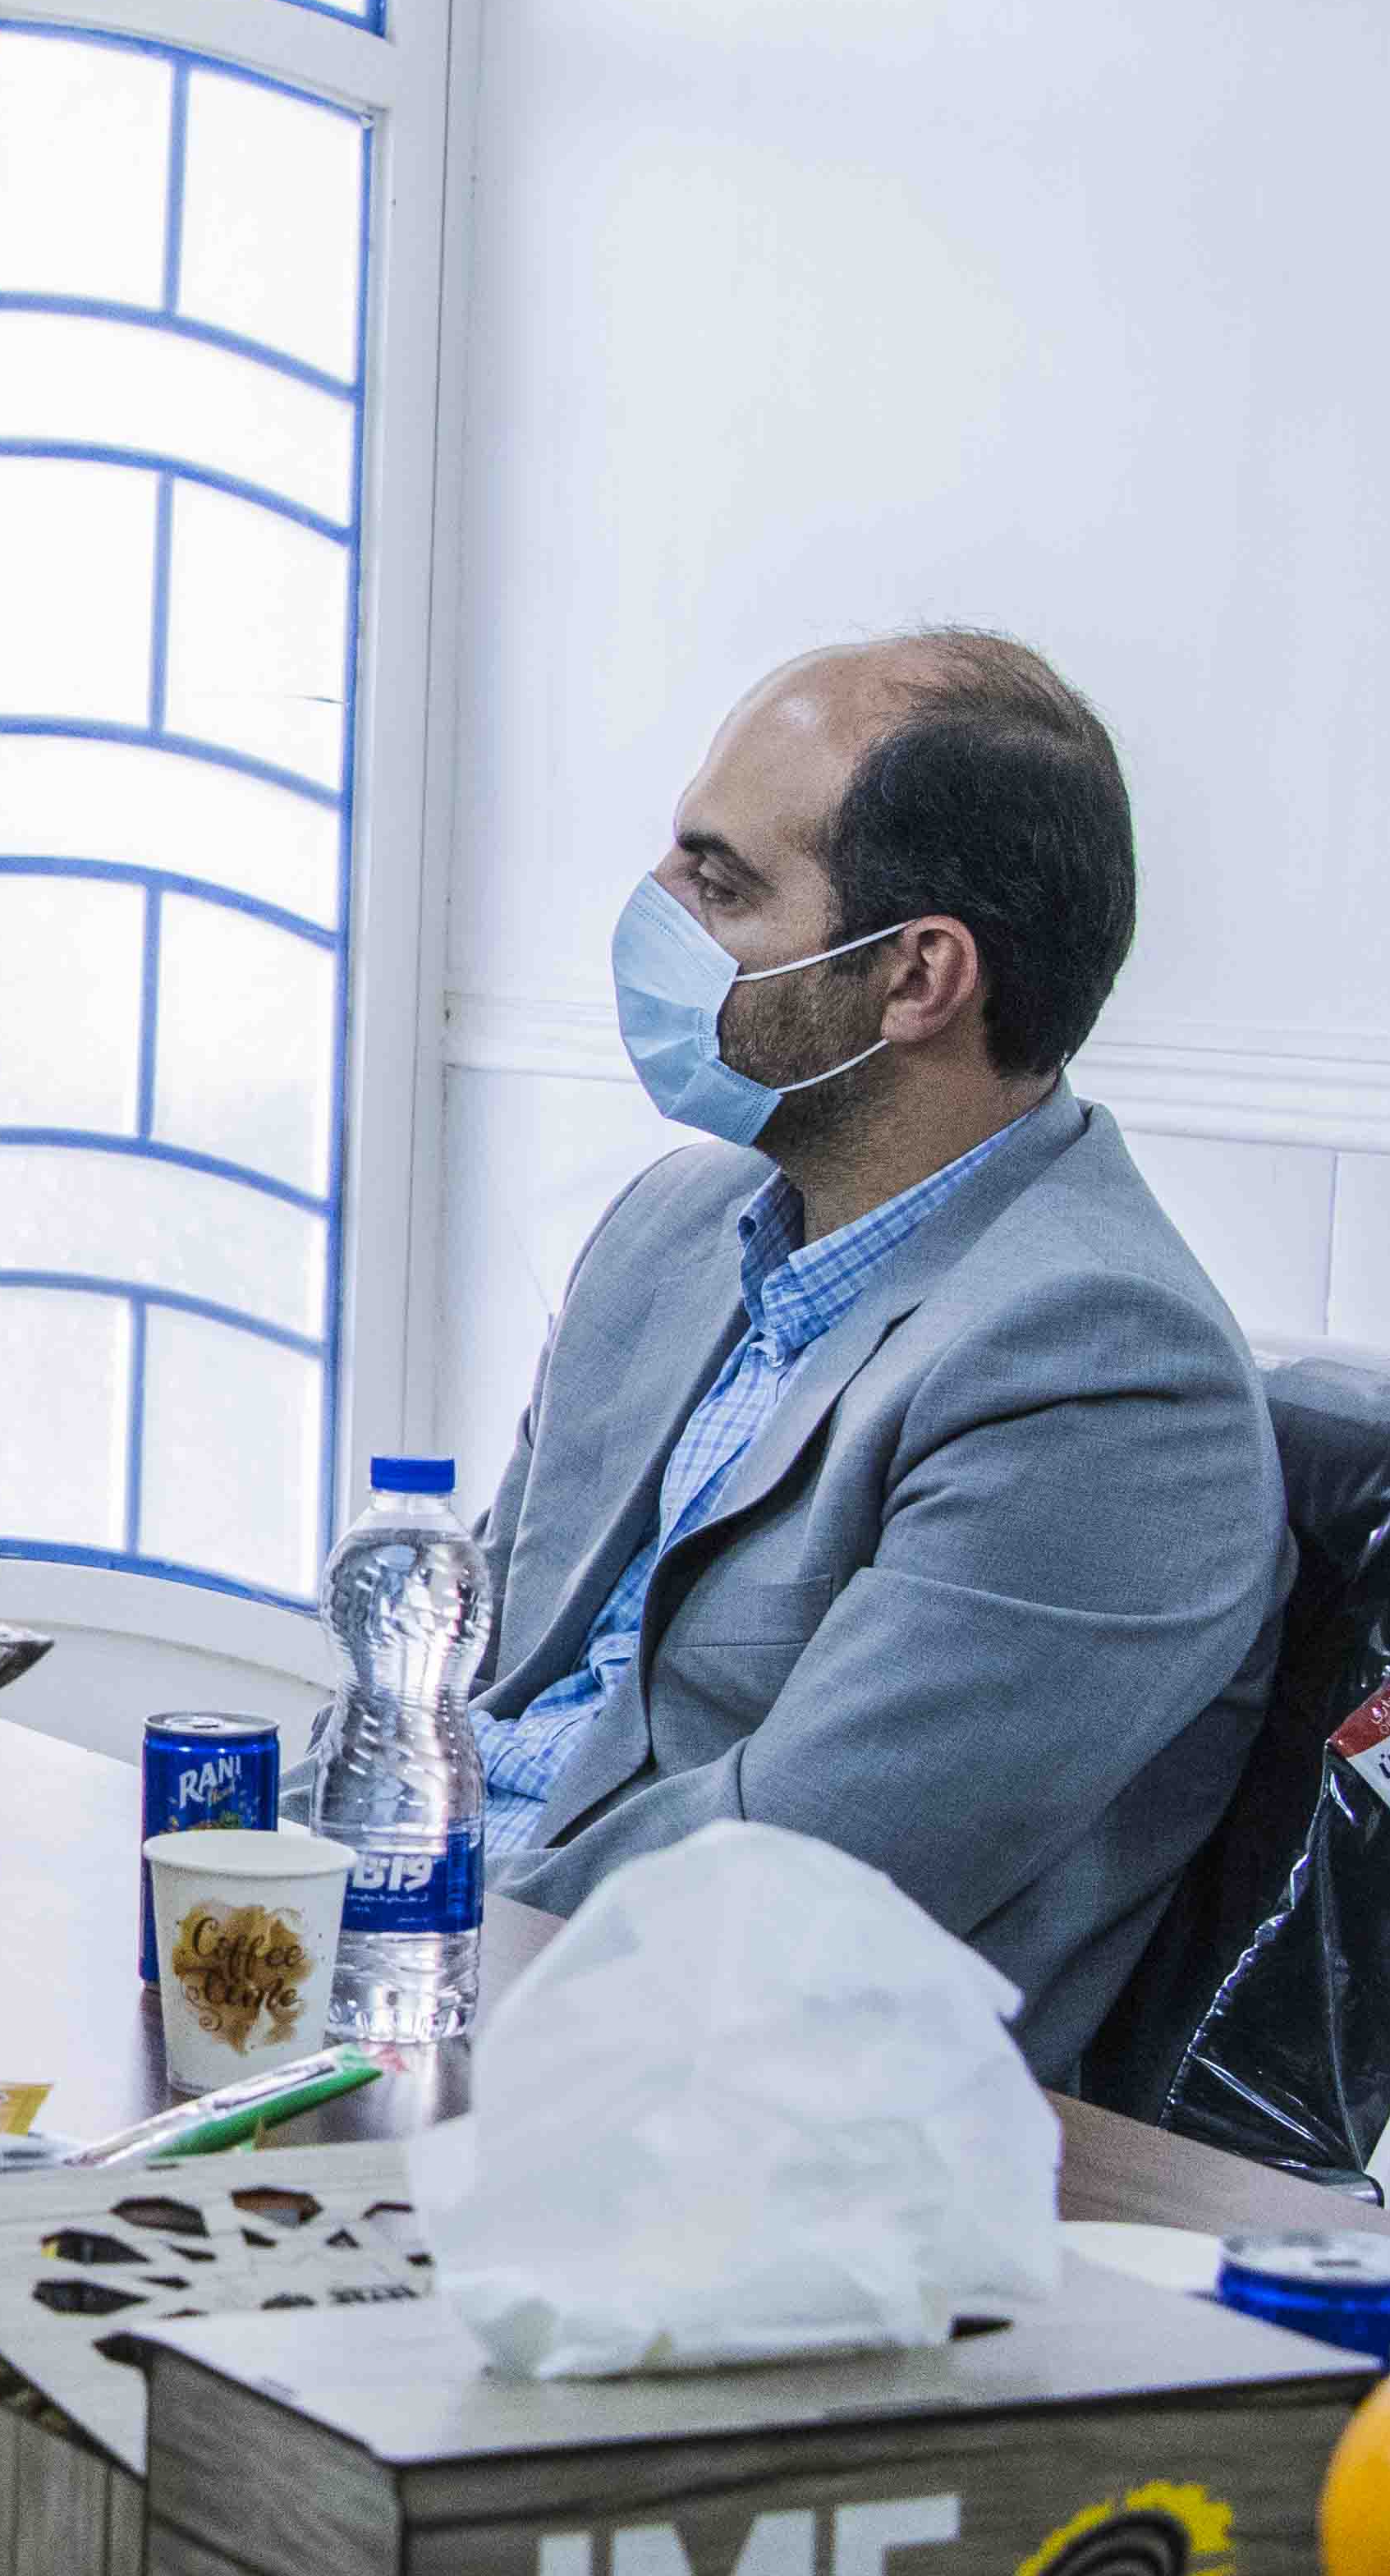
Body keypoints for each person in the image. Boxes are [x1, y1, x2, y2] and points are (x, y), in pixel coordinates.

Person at [473, 632, 1287, 2078]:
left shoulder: (1103, 1372)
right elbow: (449, 1673)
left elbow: (774, 1899)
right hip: (439, 1982)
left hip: (684, 2098)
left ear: (917, 978)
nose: (654, 911)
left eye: (722, 884)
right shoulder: (672, 1228)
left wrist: (381, 1927)